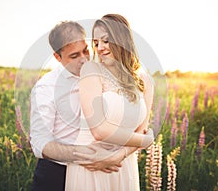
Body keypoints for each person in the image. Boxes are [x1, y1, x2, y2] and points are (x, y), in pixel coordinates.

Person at [30, 20, 142, 191]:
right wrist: (88, 156)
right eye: (74, 56)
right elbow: (40, 142)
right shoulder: (46, 88)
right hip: (58, 174)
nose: (83, 60)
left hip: (106, 172)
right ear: (57, 57)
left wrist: (117, 154)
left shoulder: (105, 73)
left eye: (86, 50)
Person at [65, 14, 155, 191]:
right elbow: (99, 130)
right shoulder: (91, 71)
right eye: (96, 43)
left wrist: (119, 155)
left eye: (105, 41)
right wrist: (146, 140)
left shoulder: (145, 81)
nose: (100, 48)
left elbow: (141, 130)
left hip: (123, 165)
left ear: (122, 40)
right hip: (91, 164)